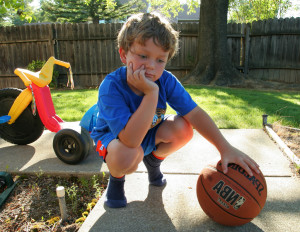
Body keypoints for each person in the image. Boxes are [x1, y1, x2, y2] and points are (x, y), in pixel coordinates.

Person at [90, 12, 260, 208]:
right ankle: (117, 179)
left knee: (184, 127)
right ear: (123, 54)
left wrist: (225, 148)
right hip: (116, 140)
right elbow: (130, 140)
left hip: (146, 134)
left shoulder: (166, 81)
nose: (151, 66)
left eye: (160, 60)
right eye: (143, 56)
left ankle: (153, 161)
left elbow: (195, 113)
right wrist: (151, 94)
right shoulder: (111, 86)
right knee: (129, 154)